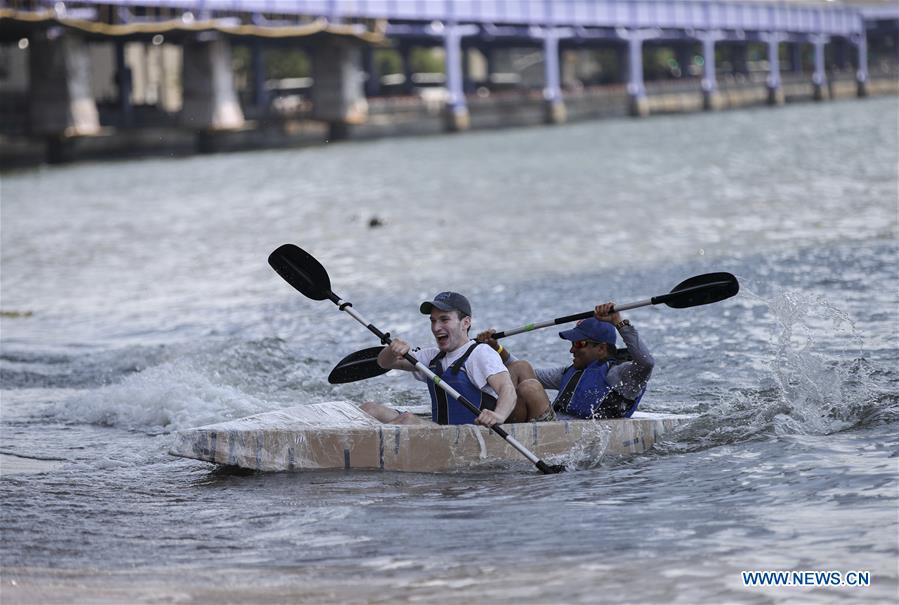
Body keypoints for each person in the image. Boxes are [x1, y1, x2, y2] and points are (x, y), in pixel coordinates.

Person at [359, 291, 518, 428]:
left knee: (407, 420)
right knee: (370, 409)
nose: (436, 328)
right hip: (438, 432)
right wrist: (392, 350)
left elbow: (507, 389)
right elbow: (384, 363)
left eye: (444, 319)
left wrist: (499, 416)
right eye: (433, 321)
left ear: (465, 323)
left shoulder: (481, 353)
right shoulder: (431, 356)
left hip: (469, 434)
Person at [476, 303, 654, 420]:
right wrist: (497, 349)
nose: (572, 349)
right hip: (553, 427)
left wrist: (618, 321)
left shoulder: (622, 375)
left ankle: (498, 423)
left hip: (570, 436)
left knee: (529, 387)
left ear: (601, 349)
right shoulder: (568, 373)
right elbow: (521, 371)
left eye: (579, 344)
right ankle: (492, 416)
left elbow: (646, 362)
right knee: (521, 366)